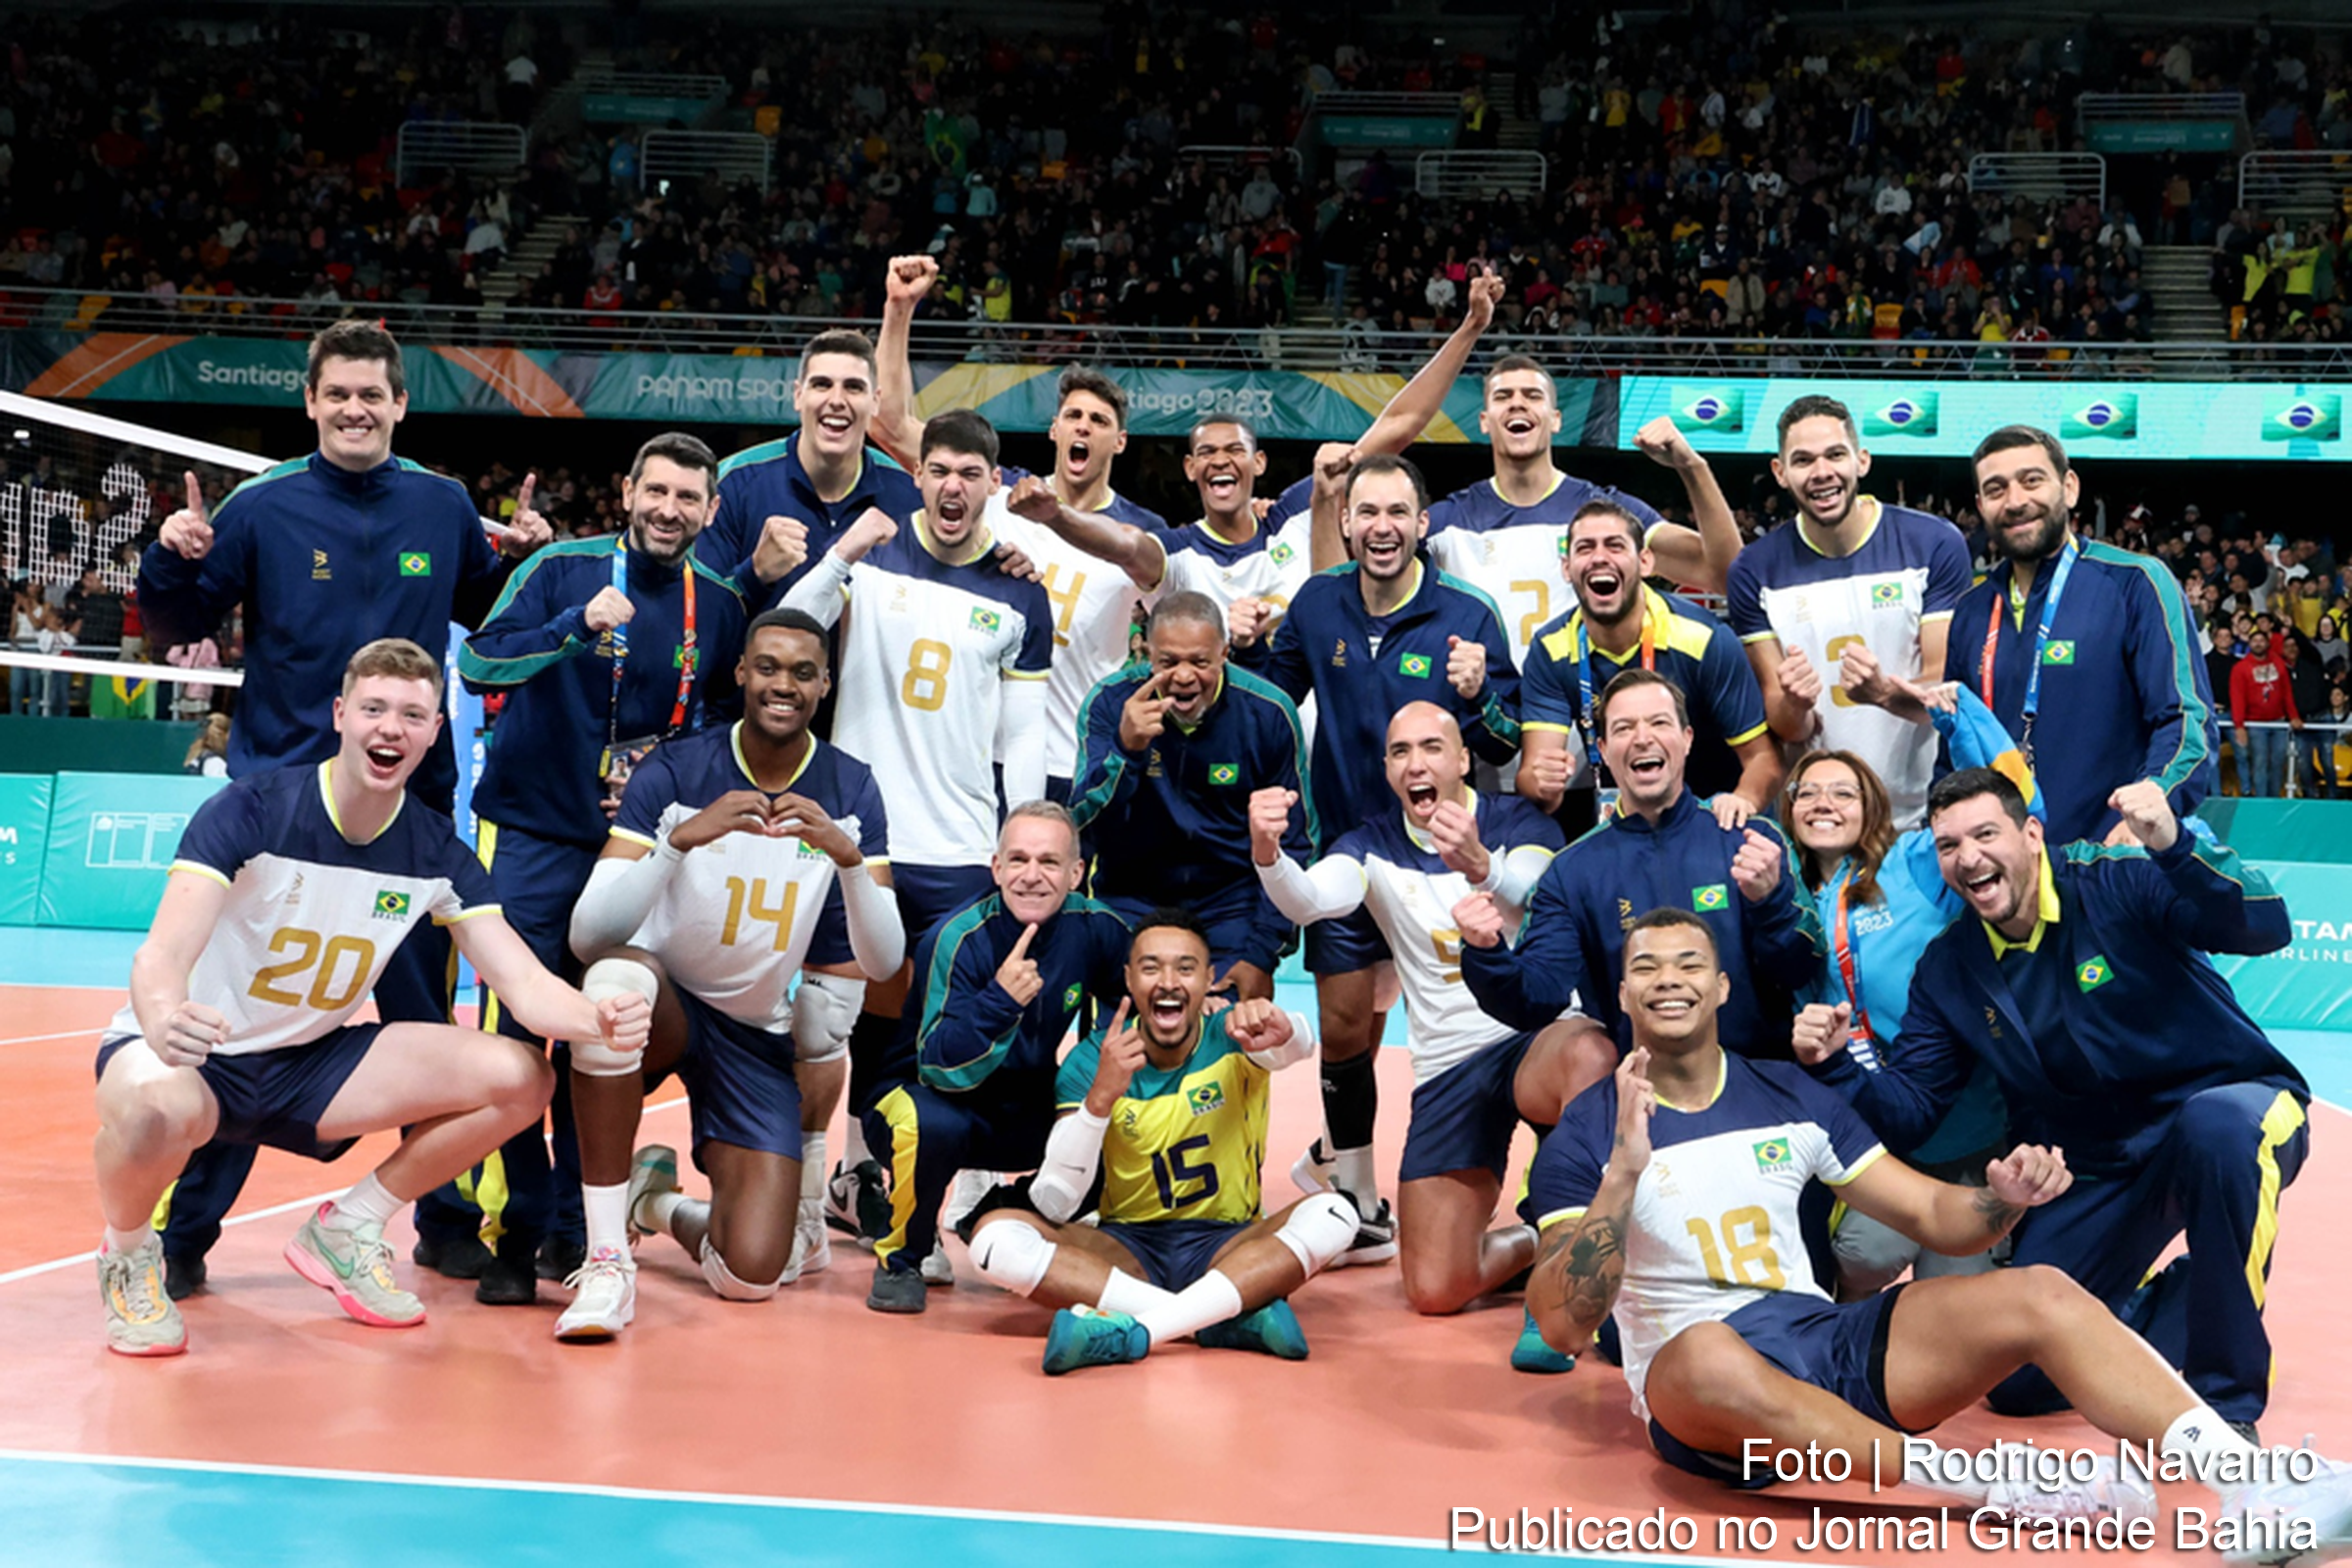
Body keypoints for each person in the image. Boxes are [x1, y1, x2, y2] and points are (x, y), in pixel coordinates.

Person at [1521, 910, 2352, 1550]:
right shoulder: (1589, 1132)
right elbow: (1562, 1324)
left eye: (1689, 963)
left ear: (1723, 986)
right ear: (1623, 993)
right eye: (1646, 969)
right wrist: (1623, 1175)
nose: (1669, 981)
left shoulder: (1788, 1094)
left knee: (2041, 1292)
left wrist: (2003, 1201)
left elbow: (1929, 1216)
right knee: (1699, 1351)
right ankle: (1986, 1481)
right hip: (1708, 1398)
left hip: (1824, 1343)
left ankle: (2256, 1483)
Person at [134, 318, 552, 1299]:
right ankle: (184, 1233)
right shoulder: (259, 507)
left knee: (425, 1023)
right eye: (339, 395)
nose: (357, 409)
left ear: (400, 405)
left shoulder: (442, 506)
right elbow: (179, 625)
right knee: (240, 1028)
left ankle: (442, 1224)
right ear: (312, 404)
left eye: (375, 394)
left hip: (410, 824)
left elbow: (494, 622)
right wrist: (171, 554)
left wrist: (531, 561)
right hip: (280, 819)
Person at [90, 639, 647, 1356]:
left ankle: (348, 1226)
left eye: (412, 715)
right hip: (195, 1055)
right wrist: (165, 1017)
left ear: (436, 732)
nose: (391, 728)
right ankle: (129, 1254)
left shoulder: (436, 849)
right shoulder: (253, 809)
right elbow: (161, 952)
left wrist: (594, 1018)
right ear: (340, 715)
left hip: (307, 1064)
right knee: (151, 1105)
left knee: (521, 1077)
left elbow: (526, 985)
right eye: (374, 709)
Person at [1793, 768, 2305, 1432]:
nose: (1968, 857)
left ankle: (2227, 1407)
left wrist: (2175, 845)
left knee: (2218, 1131)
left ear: (2031, 834)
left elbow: (2265, 928)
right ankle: (2190, 1292)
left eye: (1985, 834)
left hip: (2232, 1111)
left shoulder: (2116, 878)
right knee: (2019, 1379)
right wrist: (1836, 1066)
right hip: (2100, 1165)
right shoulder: (1950, 968)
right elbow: (1913, 1109)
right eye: (1948, 846)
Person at [450, 432, 756, 1303]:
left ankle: (575, 1234)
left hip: (633, 852)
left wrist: (681, 805)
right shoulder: (561, 569)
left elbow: (725, 730)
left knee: (605, 1036)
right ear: (627, 491)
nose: (668, 510)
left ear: (709, 509)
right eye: (654, 491)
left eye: (687, 498)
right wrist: (572, 629)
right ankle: (508, 1233)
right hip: (533, 838)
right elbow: (477, 664)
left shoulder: (721, 603)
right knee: (515, 1039)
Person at [554, 610, 905, 1339]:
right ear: (742, 673)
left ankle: (657, 1206)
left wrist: (848, 860)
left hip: (751, 1031)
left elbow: (883, 961)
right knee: (614, 984)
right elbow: (589, 936)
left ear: (825, 684)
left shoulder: (852, 788)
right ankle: (608, 1259)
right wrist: (679, 843)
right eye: (769, 667)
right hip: (665, 1003)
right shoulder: (679, 770)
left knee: (751, 1275)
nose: (785, 684)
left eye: (803, 672)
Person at [1252, 702, 1615, 1360]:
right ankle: (1540, 1238)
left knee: (1590, 1051)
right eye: (1399, 752)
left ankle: (1577, 1270)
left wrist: (1480, 864)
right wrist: (1268, 851)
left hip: (1534, 1037)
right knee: (1435, 1287)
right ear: (1388, 769)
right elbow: (1308, 899)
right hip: (1450, 1065)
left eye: (1430, 747)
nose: (1415, 764)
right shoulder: (1367, 845)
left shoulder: (1518, 822)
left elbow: (1537, 889)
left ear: (1463, 759)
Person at [780, 409, 1053, 1248]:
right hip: (859, 838)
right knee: (834, 1021)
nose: (953, 487)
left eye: (972, 473)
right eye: (938, 470)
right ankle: (833, 1179)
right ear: (918, 475)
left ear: (993, 486)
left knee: (930, 1032)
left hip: (963, 846)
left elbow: (1025, 734)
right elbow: (784, 630)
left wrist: (1020, 844)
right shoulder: (871, 559)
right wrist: (839, 554)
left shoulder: (1019, 592)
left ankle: (908, 1195)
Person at [1259, 453, 1526, 1261]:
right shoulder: (1315, 603)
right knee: (1345, 1027)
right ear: (1345, 522)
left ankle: (1451, 1166)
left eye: (1396, 513)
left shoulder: (1469, 616)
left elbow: (1506, 746)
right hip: (1351, 850)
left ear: (1423, 523)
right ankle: (1358, 1196)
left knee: (1449, 1024)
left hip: (1440, 864)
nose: (1380, 527)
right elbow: (1272, 701)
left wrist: (1479, 698)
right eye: (1365, 513)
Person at [965, 912, 1358, 1374]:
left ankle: (1141, 1330)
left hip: (1230, 1243)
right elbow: (1055, 1200)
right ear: (1128, 979)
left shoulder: (1233, 1034)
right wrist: (1099, 1101)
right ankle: (1218, 1318)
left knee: (1339, 1212)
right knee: (993, 1241)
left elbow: (1295, 1045)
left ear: (1209, 980)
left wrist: (1286, 1027)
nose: (1168, 982)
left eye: (1185, 968)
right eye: (1151, 968)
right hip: (1129, 1247)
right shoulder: (1094, 1058)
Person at [1778, 680, 2038, 1298]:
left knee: (1960, 1314)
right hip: (1876, 1138)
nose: (1823, 802)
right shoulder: (1781, 895)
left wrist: (1956, 716)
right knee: (1861, 1261)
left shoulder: (1917, 862)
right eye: (1807, 793)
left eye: (1843, 792)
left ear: (1873, 809)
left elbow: (2011, 802)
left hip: (1966, 1132)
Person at [873, 254, 1166, 800]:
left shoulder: (1139, 534)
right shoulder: (1001, 495)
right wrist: (898, 309)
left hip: (1076, 757)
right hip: (975, 750)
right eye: (1074, 417)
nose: (1085, 427)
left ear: (1119, 442)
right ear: (1054, 429)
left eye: (1100, 422)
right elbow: (891, 425)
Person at [1462, 669, 1824, 1059]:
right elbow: (1536, 999)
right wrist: (1487, 954)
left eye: (1659, 723)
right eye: (1623, 728)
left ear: (1687, 740)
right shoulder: (1571, 873)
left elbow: (1805, 971)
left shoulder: (1751, 841)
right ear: (1602, 747)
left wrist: (1770, 904)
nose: (1642, 737)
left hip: (1758, 1081)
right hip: (1643, 1095)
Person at [858, 802, 1132, 1312]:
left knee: (1116, 1122)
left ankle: (996, 1209)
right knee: (930, 1124)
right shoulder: (953, 937)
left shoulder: (1098, 929)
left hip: (1023, 1104)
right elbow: (939, 1066)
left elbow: (1134, 1001)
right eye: (1019, 860)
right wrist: (1000, 1004)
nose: (1032, 876)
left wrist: (1092, 1065)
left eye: (1049, 862)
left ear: (1076, 873)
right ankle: (902, 1259)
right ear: (996, 868)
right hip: (922, 1097)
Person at [1935, 426, 2217, 845]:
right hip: (2005, 876)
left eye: (2032, 481)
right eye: (1996, 489)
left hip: (2112, 863)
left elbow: (2187, 721)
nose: (2015, 501)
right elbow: (1954, 750)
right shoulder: (1972, 611)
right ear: (1980, 505)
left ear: (2069, 488)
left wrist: (2155, 796)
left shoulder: (2135, 583)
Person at [1726, 396, 1973, 828]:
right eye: (1803, 460)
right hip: (1818, 822)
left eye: (1835, 455)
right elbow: (1785, 725)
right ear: (1780, 473)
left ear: (1861, 460)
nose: (1821, 472)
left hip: (1922, 815)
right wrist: (1796, 704)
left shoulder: (1933, 544)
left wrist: (1883, 693)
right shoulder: (1753, 570)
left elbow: (1944, 689)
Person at [1071, 592, 1310, 1002]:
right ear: (1146, 651)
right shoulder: (1111, 704)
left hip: (1231, 901)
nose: (1183, 677)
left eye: (1199, 662)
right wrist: (1125, 752)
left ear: (1224, 653)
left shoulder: (1268, 712)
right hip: (1129, 895)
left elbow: (1297, 844)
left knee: (1229, 1044)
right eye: (1168, 662)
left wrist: (1261, 954)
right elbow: (1083, 829)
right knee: (1121, 1048)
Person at [1424, 369, 1746, 675]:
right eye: (1503, 396)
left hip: (1586, 721)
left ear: (1556, 420)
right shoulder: (1445, 522)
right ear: (1484, 421)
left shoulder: (1608, 514)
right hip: (1484, 720)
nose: (1517, 403)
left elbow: (1725, 576)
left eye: (1533, 395)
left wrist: (1692, 467)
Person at [1518, 500, 1778, 835]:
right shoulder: (1550, 649)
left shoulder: (1705, 639)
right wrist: (1541, 783)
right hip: (1628, 820)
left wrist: (1741, 802)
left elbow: (1763, 759)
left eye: (1615, 545)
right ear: (1567, 568)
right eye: (1585, 548)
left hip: (1715, 817)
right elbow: (1534, 775)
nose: (1600, 557)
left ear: (1645, 562)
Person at [697, 329, 922, 613]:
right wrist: (755, 573)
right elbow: (697, 617)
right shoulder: (731, 484)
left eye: (853, 387)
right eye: (822, 385)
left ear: (875, 401)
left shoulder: (910, 496)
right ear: (798, 395)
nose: (837, 400)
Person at [2229, 625, 2295, 798]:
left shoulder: (2279, 663)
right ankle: (2261, 801)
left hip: (2279, 722)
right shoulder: (2240, 668)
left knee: (2278, 763)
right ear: (2249, 644)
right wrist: (2239, 725)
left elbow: (2287, 692)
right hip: (2256, 723)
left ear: (2267, 643)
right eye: (2254, 641)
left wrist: (2293, 716)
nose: (2258, 644)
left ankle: (2273, 799)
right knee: (2260, 763)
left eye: (2261, 640)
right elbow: (2237, 698)